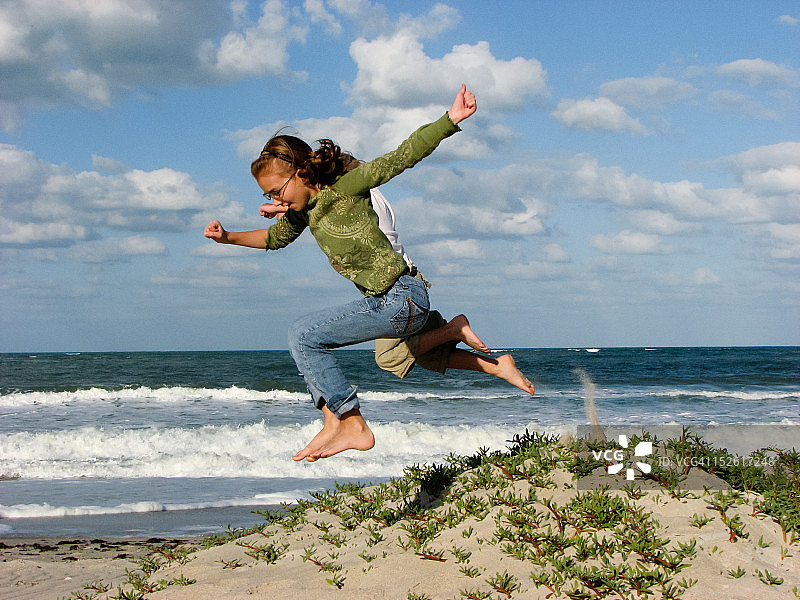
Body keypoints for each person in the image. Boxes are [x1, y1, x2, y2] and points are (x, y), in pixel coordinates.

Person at [205, 85, 476, 462]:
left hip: (404, 296)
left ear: (300, 172)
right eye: (270, 197)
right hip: (389, 303)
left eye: (277, 192)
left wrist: (450, 120)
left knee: (304, 334)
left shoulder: (345, 189)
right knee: (305, 338)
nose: (276, 202)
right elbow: (273, 239)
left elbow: (402, 157)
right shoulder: (303, 214)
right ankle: (338, 421)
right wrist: (227, 238)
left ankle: (349, 422)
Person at [261, 190, 535, 396]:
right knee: (425, 352)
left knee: (389, 357)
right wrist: (283, 208)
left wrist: (285, 207)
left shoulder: (352, 195)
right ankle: (498, 366)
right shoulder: (360, 198)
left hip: (396, 292)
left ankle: (454, 330)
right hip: (406, 286)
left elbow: (321, 203)